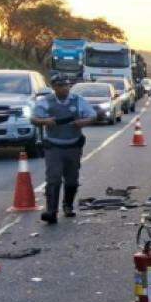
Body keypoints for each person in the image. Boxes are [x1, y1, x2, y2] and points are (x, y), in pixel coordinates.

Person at [31, 74, 96, 224]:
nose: (64, 88)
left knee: (72, 180)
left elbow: (92, 115)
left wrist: (82, 122)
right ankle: (51, 211)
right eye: (60, 86)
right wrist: (45, 121)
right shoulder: (46, 102)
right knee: (53, 179)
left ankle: (68, 205)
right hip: (54, 146)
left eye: (66, 85)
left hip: (73, 145)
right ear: (54, 87)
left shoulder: (77, 100)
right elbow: (33, 119)